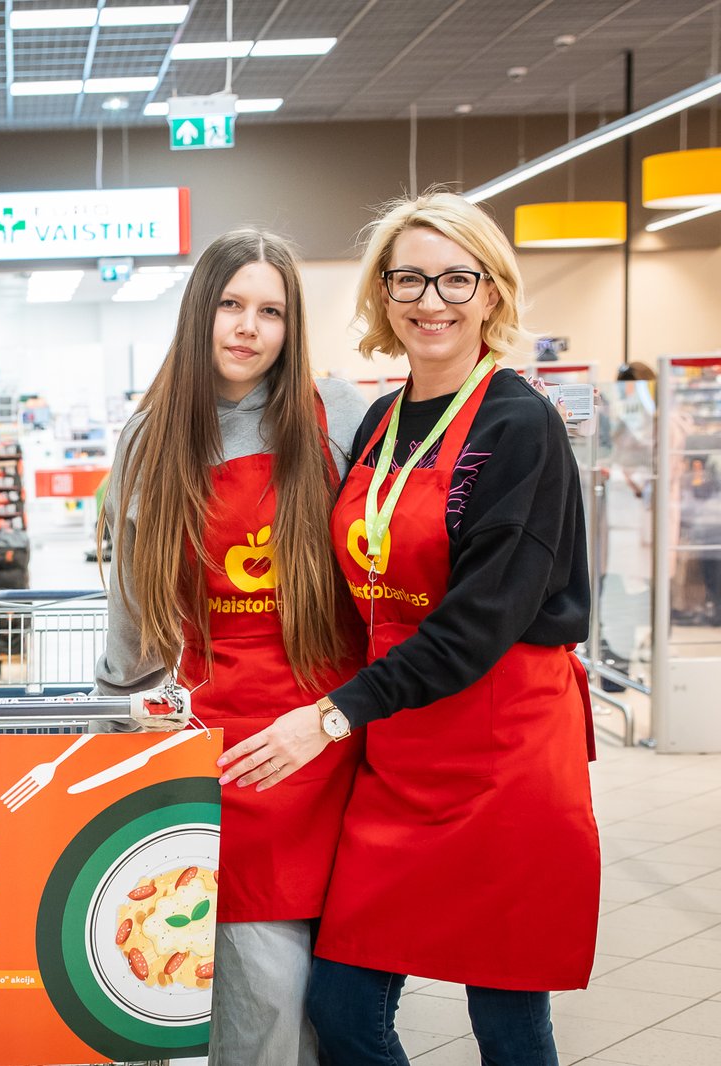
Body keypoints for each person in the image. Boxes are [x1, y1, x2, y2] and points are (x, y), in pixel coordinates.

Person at [218, 192, 599, 1065]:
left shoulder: (520, 424)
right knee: (343, 1008)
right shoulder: (383, 421)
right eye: (409, 280)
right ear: (383, 294)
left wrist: (327, 717)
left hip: (502, 748)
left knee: (506, 1018)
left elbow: (480, 622)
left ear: (492, 292)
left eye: (456, 279)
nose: (432, 301)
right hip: (400, 751)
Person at [95, 228, 368, 1065]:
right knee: (261, 983)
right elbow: (136, 613)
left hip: (335, 731)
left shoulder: (339, 414)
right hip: (229, 748)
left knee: (336, 994)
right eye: (231, 304)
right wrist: (111, 726)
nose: (249, 327)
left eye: (271, 311)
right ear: (199, 312)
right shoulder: (151, 439)